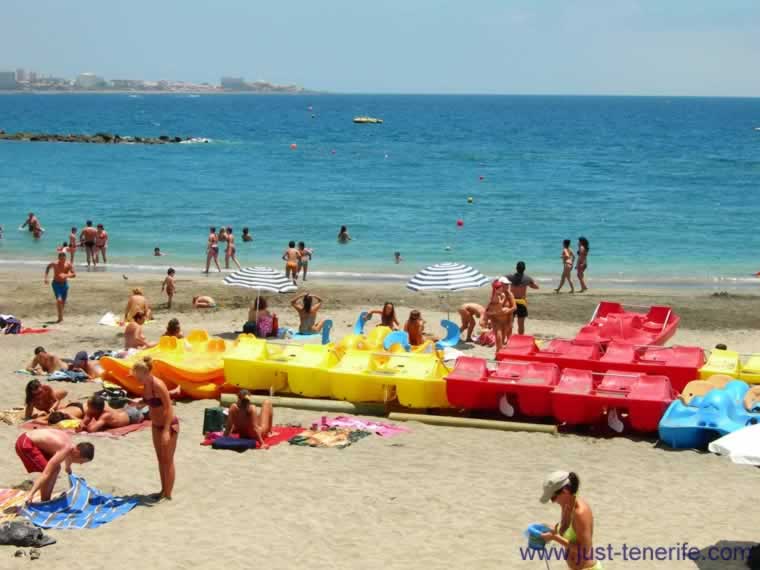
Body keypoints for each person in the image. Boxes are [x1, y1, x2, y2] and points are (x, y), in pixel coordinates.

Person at [132, 357, 178, 500]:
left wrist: (166, 431)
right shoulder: (145, 385)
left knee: (168, 459)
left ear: (145, 373)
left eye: (137, 374)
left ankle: (168, 495)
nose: (136, 377)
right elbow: (151, 401)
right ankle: (163, 490)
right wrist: (141, 403)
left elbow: (169, 407)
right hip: (156, 424)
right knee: (160, 459)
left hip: (168, 425)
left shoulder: (158, 384)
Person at [540, 471, 601, 570]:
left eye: (553, 497)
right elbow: (567, 530)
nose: (553, 501)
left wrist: (555, 538)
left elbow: (584, 551)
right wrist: (551, 529)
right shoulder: (566, 504)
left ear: (565, 491)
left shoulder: (580, 513)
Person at [15, 429, 94, 503]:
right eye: (82, 461)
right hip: (25, 443)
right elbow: (46, 473)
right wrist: (31, 494)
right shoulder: (65, 449)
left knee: (56, 468)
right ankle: (44, 500)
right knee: (50, 471)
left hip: (31, 440)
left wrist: (68, 467)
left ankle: (45, 499)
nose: (81, 464)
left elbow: (69, 455)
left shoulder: (71, 447)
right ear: (77, 453)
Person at [79, 395, 146, 432]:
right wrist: (82, 424)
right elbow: (86, 418)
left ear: (94, 408)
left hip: (132, 416)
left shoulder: (106, 415)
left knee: (146, 412)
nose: (87, 408)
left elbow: (91, 430)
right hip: (124, 411)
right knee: (135, 407)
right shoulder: (97, 407)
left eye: (88, 406)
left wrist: (84, 427)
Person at [507, 261, 539, 336]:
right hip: (521, 302)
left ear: (516, 268)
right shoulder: (527, 278)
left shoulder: (511, 277)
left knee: (510, 322)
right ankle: (520, 338)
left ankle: (508, 339)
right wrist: (530, 284)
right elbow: (537, 287)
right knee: (521, 324)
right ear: (524, 269)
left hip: (512, 301)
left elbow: (500, 281)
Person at [44, 252, 76, 323]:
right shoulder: (54, 264)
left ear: (65, 258)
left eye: (63, 258)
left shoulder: (68, 264)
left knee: (63, 303)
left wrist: (66, 275)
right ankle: (60, 318)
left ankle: (60, 317)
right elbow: (48, 267)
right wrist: (46, 278)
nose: (62, 260)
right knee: (59, 300)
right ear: (58, 258)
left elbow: (74, 274)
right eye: (60, 258)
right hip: (56, 284)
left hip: (65, 285)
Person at [485, 279, 515, 351]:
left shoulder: (509, 294)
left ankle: (501, 351)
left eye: (508, 284)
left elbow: (514, 307)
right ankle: (498, 353)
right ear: (501, 285)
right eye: (506, 284)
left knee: (504, 337)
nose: (508, 286)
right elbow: (488, 310)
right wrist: (491, 316)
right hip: (496, 320)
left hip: (506, 320)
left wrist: (508, 310)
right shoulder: (495, 295)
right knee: (499, 337)